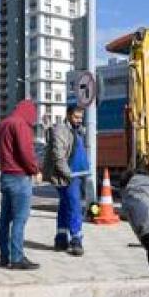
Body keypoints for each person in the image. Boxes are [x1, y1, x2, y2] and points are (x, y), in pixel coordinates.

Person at [0, 99, 41, 270]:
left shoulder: (3, 123)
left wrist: (5, 150)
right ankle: (17, 258)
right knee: (19, 219)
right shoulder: (21, 125)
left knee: (4, 219)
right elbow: (26, 153)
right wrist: (35, 170)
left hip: (5, 176)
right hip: (20, 177)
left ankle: (4, 256)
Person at [43, 104, 92, 256]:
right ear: (68, 115)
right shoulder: (60, 130)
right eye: (76, 117)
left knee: (65, 205)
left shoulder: (78, 130)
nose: (79, 120)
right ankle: (76, 239)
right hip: (68, 175)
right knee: (74, 206)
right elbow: (58, 156)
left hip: (77, 174)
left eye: (81, 117)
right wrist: (68, 174)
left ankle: (61, 238)